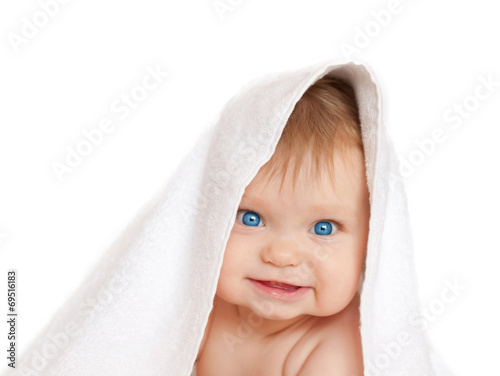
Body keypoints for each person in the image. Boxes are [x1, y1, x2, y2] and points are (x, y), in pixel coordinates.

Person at [194, 77, 369, 375]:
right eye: (251, 218)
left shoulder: (339, 349)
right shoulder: (199, 308)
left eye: (323, 228)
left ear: (372, 241)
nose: (281, 255)